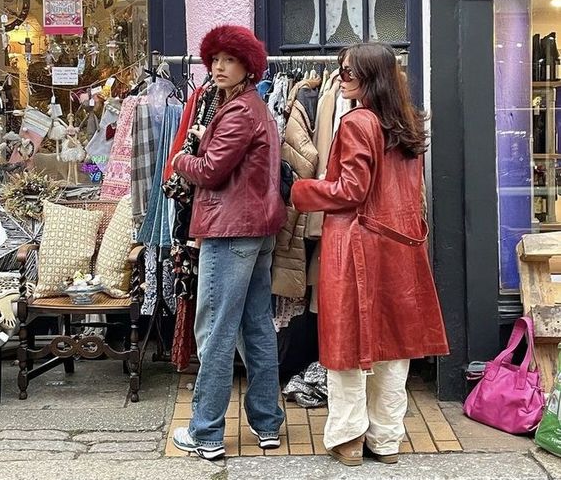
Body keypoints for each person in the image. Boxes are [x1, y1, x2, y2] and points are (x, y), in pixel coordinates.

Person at [291, 42, 449, 467]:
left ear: (372, 77)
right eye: (341, 70)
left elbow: (350, 191)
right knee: (393, 346)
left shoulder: (358, 121)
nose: (341, 77)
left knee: (347, 345)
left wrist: (301, 190)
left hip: (357, 244)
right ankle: (387, 439)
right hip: (400, 245)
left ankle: (348, 438)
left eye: (349, 71)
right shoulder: (407, 123)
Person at [171, 25, 287, 460]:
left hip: (230, 230)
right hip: (256, 229)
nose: (218, 67)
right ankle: (267, 424)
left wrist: (181, 157)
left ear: (247, 66)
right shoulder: (252, 108)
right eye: (214, 59)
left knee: (216, 329)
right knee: (256, 325)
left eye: (229, 60)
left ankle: (206, 433)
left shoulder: (239, 112)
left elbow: (210, 171)